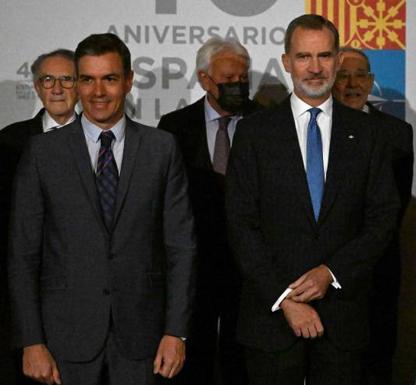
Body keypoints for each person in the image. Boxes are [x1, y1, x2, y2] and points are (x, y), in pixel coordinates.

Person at [8, 33, 196, 385]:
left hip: (144, 338)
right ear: (77, 84)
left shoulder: (161, 148)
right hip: (64, 338)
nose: (97, 92)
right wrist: (31, 340)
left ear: (127, 81)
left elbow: (181, 247)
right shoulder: (42, 153)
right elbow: (23, 254)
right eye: (87, 79)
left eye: (109, 79)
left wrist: (177, 332)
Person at [225, 14, 400, 385]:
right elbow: (241, 223)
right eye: (304, 57)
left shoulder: (369, 134)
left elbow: (382, 218)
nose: (315, 68)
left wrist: (331, 273)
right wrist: (284, 297)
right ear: (287, 62)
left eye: (324, 56)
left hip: (343, 320)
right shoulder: (254, 132)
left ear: (338, 60)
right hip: (270, 321)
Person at [157, 36, 256, 385]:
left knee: (241, 360)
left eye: (243, 79)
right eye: (228, 80)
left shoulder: (268, 124)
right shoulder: (173, 127)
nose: (238, 86)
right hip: (193, 263)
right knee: (191, 359)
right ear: (204, 80)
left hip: (251, 267)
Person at [332, 46, 413, 385]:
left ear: (372, 81)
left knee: (378, 360)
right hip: (327, 268)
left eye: (360, 75)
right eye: (343, 75)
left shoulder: (397, 132)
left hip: (379, 266)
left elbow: (397, 204)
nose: (352, 83)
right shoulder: (315, 127)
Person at [0, 48, 79, 385]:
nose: (57, 88)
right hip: (26, 296)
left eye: (67, 79)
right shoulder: (9, 143)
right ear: (36, 87)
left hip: (87, 296)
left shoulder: (107, 140)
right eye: (48, 79)